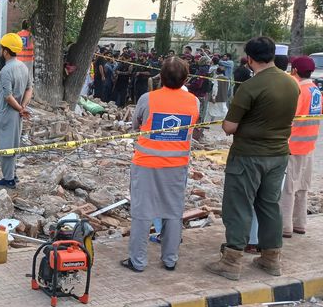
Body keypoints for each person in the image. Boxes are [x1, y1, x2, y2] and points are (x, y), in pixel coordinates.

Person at [205, 37, 300, 280]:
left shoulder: (249, 87)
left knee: (238, 205)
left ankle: (232, 261)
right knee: (269, 205)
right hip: (279, 155)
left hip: (248, 156)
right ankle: (271, 259)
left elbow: (229, 127)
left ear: (249, 58)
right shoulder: (291, 84)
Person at [121, 57, 199, 272]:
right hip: (177, 166)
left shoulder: (148, 99)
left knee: (142, 212)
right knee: (173, 212)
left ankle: (137, 261)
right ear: (185, 78)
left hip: (146, 165)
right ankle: (170, 259)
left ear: (161, 76)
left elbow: (136, 124)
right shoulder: (194, 101)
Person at [280, 56, 321, 238]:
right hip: (309, 146)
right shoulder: (316, 91)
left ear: (294, 70)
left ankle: (285, 227)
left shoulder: (297, 91)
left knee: (288, 188)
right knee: (302, 186)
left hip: (293, 146)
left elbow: (288, 118)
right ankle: (300, 223)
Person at [0, 33, 32, 188]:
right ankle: (12, 175)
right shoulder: (23, 67)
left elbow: (8, 97)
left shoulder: (6, 70)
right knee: (13, 143)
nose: (1, 52)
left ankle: (8, 179)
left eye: (2, 49)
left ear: (6, 51)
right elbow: (29, 89)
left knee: (6, 145)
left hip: (7, 113)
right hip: (17, 113)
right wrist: (23, 107)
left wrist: (20, 108)